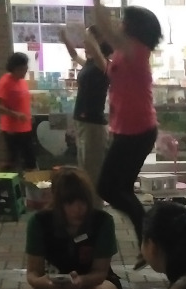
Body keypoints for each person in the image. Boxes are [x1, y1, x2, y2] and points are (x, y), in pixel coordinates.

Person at [93, 0, 163, 269]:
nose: (120, 24)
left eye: (124, 20)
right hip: (129, 130)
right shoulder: (125, 53)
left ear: (133, 27)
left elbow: (106, 28)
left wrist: (97, 5)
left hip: (137, 130)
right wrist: (89, 41)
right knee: (118, 189)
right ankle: (149, 240)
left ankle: (149, 237)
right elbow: (107, 67)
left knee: (108, 188)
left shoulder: (136, 49)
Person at [24, 167, 123, 289]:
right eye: (69, 203)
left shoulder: (102, 221)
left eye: (83, 201)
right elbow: (33, 272)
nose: (78, 209)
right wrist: (45, 283)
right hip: (56, 282)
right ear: (57, 203)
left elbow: (100, 272)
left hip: (95, 281)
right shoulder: (39, 222)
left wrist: (81, 281)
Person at [62, 26, 112, 197]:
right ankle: (87, 204)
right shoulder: (90, 63)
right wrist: (65, 39)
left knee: (92, 172)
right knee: (84, 169)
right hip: (82, 122)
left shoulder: (103, 64)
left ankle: (95, 206)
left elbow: (94, 49)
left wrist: (88, 32)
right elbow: (74, 56)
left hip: (93, 124)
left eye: (87, 39)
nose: (84, 42)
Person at [0, 52, 36, 172]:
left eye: (26, 68)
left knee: (30, 160)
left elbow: (21, 101)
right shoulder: (5, 82)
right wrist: (15, 114)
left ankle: (29, 181)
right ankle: (9, 181)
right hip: (12, 129)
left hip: (25, 126)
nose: (25, 72)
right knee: (13, 161)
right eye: (22, 69)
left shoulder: (22, 81)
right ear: (14, 68)